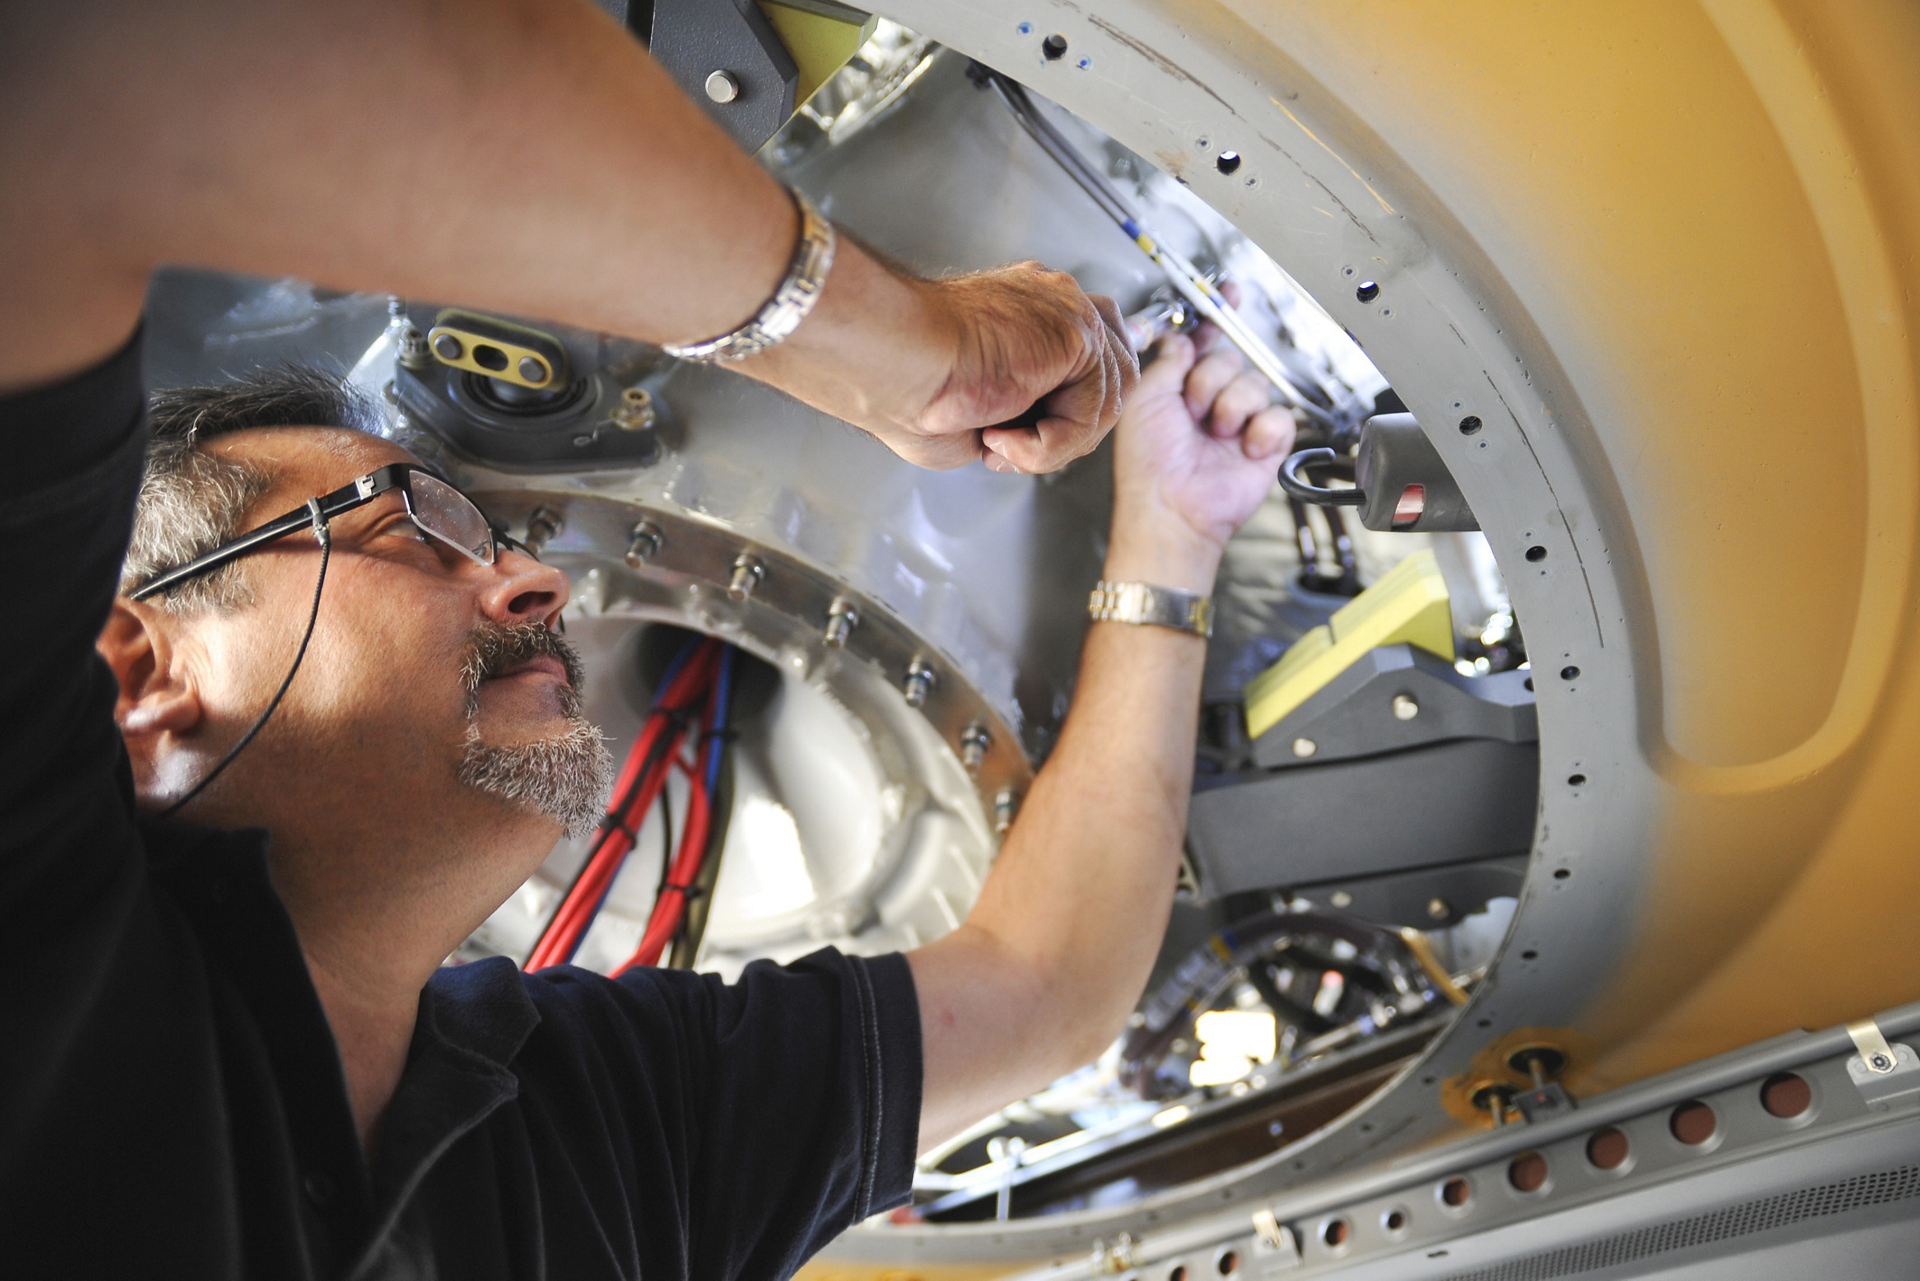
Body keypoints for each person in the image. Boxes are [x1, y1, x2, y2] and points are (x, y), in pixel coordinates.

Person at [0, 0, 1296, 1276]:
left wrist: (1168, 538)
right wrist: (889, 347)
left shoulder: (585, 1118)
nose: (537, 586)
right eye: (415, 521)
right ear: (139, 672)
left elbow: (1043, 977)